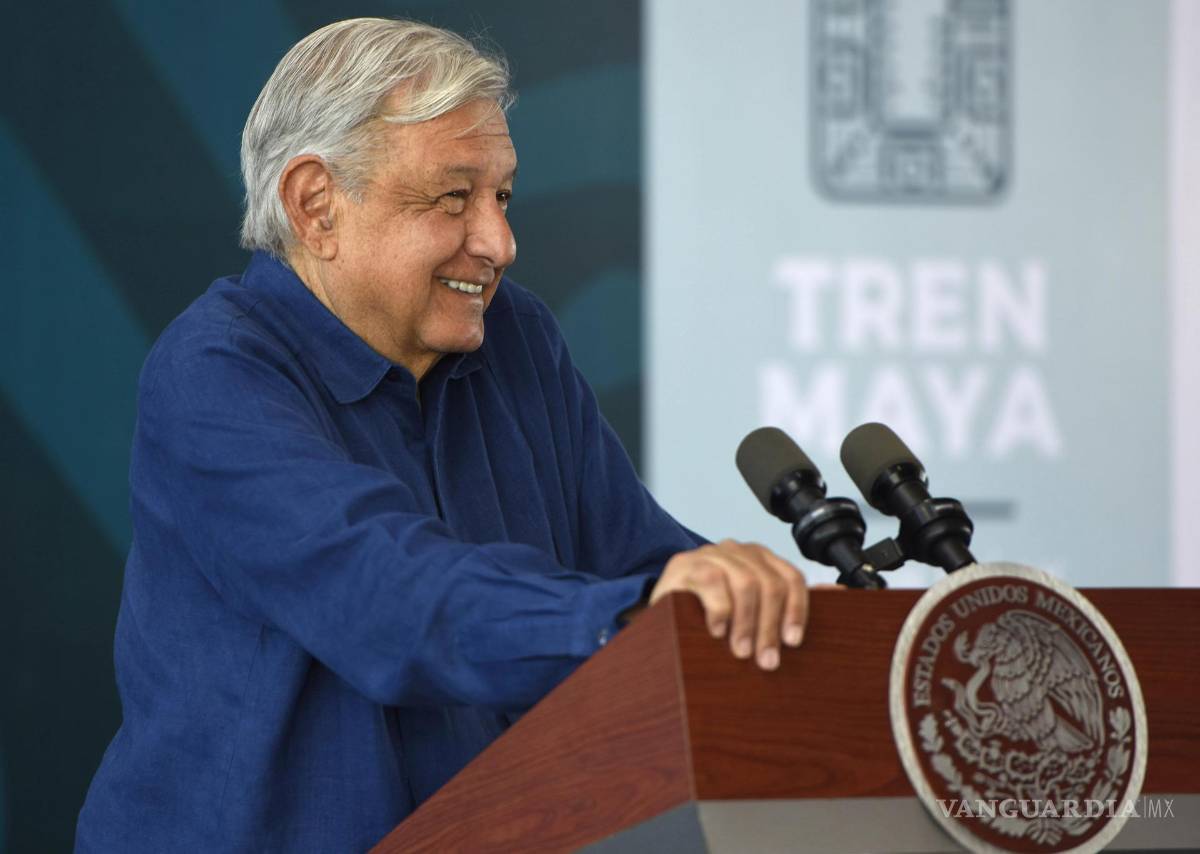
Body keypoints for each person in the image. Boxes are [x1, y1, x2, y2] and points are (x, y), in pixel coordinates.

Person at [76, 18, 813, 852]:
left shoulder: (518, 339)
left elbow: (640, 563)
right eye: (453, 197)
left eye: (501, 195)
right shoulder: (213, 370)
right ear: (317, 206)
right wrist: (633, 615)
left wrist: (741, 606)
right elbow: (383, 591)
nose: (499, 241)